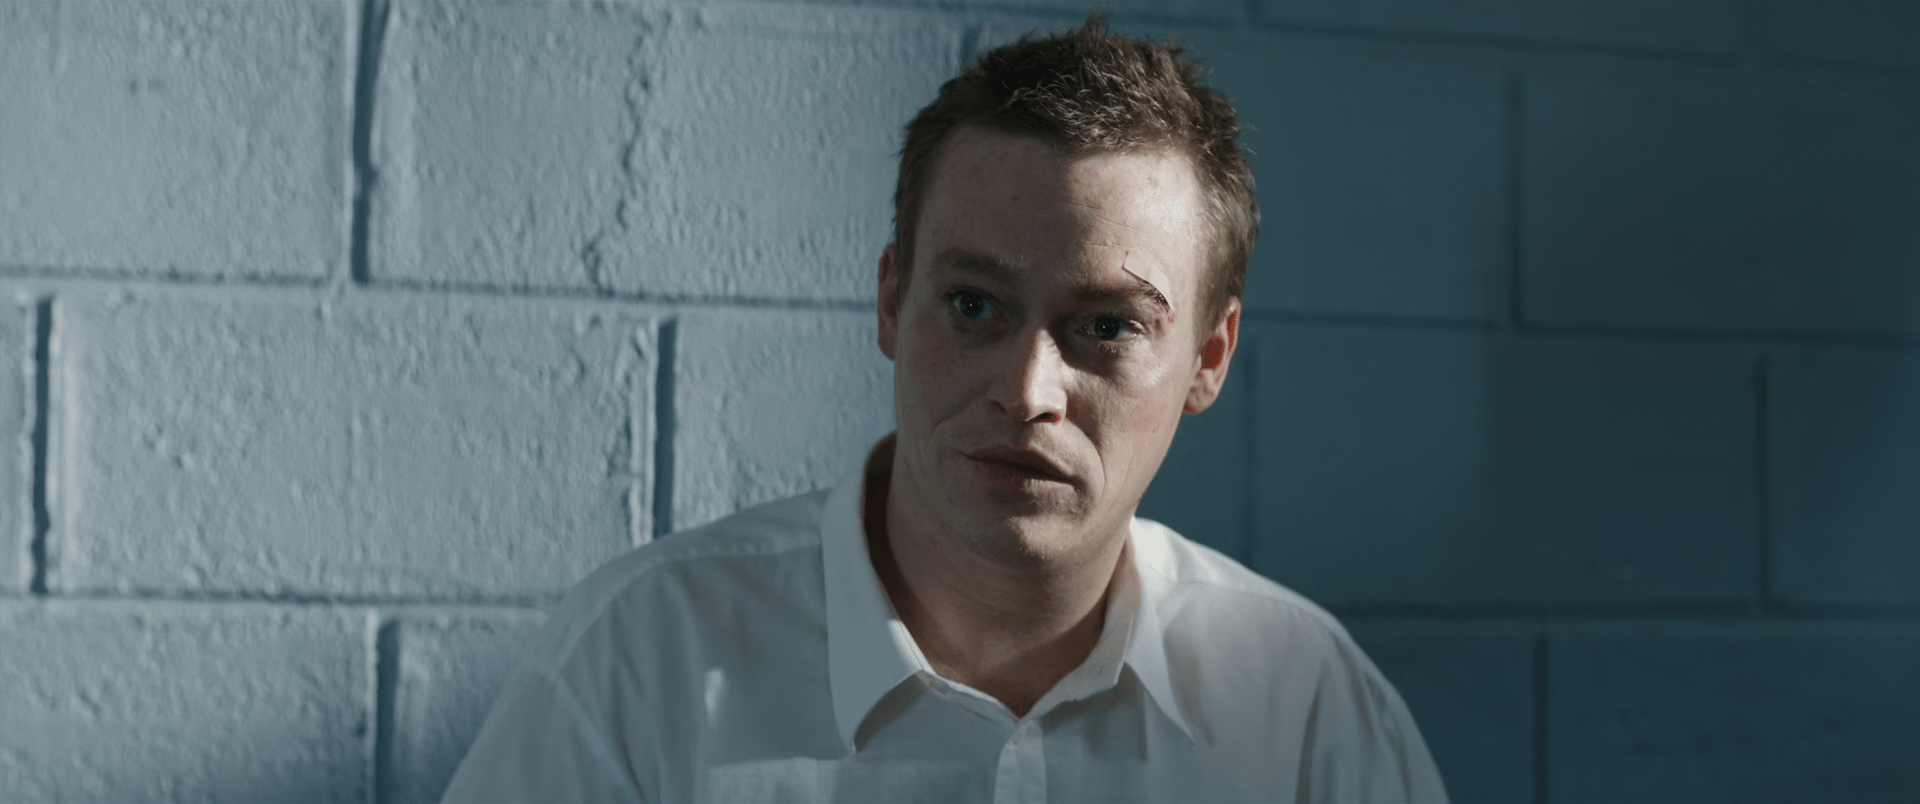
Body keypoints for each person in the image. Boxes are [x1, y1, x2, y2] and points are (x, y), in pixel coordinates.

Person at [444, 15, 1446, 803]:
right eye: (973, 307)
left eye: (1105, 327)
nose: (1027, 392)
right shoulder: (640, 661)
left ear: (1209, 358)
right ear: (892, 301)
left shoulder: (1305, 704)